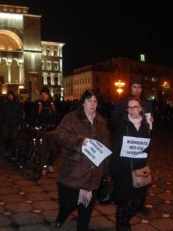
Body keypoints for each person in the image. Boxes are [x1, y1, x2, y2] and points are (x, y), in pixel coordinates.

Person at [54, 90, 111, 231]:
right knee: (68, 204)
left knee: (86, 210)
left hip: (93, 175)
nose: (93, 104)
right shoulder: (71, 118)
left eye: (95, 101)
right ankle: (62, 216)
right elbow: (59, 135)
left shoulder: (102, 121)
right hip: (74, 172)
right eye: (89, 100)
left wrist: (107, 168)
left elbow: (107, 145)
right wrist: (79, 142)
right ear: (82, 103)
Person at [110, 76, 154, 217]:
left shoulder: (148, 104)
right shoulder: (122, 103)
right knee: (124, 185)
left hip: (140, 150)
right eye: (134, 87)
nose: (137, 89)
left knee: (139, 181)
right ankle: (122, 217)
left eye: (139, 87)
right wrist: (127, 118)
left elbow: (149, 127)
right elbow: (114, 122)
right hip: (125, 148)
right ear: (130, 88)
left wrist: (151, 123)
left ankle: (137, 205)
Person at [37, 87, 59, 174]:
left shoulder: (53, 104)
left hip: (52, 130)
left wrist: (56, 124)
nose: (43, 96)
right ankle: (43, 167)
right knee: (43, 150)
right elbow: (34, 114)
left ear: (48, 95)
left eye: (45, 94)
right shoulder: (39, 103)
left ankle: (50, 164)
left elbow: (57, 115)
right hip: (42, 130)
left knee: (53, 150)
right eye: (42, 94)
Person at [0, 91, 23, 156]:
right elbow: (1, 114)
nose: (10, 97)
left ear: (13, 96)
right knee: (6, 137)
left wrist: (19, 123)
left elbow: (20, 114)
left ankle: (13, 151)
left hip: (14, 124)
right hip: (6, 123)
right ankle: (7, 150)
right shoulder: (5, 105)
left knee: (14, 138)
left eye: (11, 96)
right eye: (9, 96)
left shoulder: (17, 105)